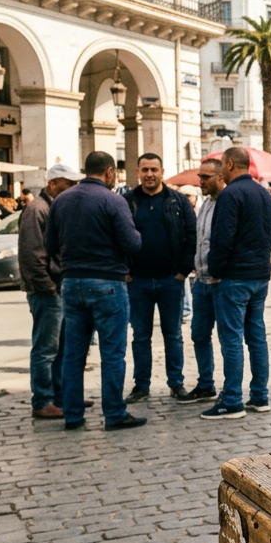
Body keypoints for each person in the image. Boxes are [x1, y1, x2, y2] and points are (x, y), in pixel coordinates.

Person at [46, 151, 146, 431]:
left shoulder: (61, 201)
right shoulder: (113, 201)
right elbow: (132, 244)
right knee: (112, 353)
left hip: (72, 283)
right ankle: (114, 413)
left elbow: (50, 245)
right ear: (110, 172)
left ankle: (72, 415)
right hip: (107, 282)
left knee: (73, 354)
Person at [200, 146, 271, 420]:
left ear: (230, 164)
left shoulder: (230, 194)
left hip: (234, 277)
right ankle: (260, 395)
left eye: (222, 165)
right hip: (259, 275)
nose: (221, 170)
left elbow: (223, 237)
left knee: (231, 338)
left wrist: (216, 270)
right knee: (256, 337)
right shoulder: (264, 194)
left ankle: (232, 400)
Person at [124, 153, 197, 405]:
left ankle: (176, 383)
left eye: (154, 169)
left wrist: (183, 271)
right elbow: (116, 236)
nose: (149, 174)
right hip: (138, 282)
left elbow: (191, 235)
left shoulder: (177, 201)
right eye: (145, 170)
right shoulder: (127, 201)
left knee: (173, 335)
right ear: (138, 172)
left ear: (162, 172)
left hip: (170, 280)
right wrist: (125, 270)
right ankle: (141, 385)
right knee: (140, 336)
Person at [19, 164, 85, 420]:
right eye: (69, 183)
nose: (73, 188)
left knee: (61, 347)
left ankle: (60, 396)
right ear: (53, 183)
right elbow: (32, 255)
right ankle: (42, 399)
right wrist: (48, 288)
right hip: (47, 291)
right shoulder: (37, 209)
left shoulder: (55, 207)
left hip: (59, 287)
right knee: (46, 349)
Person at [183, 159, 224, 404]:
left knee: (228, 339)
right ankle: (205, 384)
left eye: (206, 177)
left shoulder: (225, 204)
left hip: (220, 282)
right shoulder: (205, 204)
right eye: (200, 176)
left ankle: (231, 391)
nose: (201, 181)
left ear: (220, 177)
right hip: (201, 282)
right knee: (199, 334)